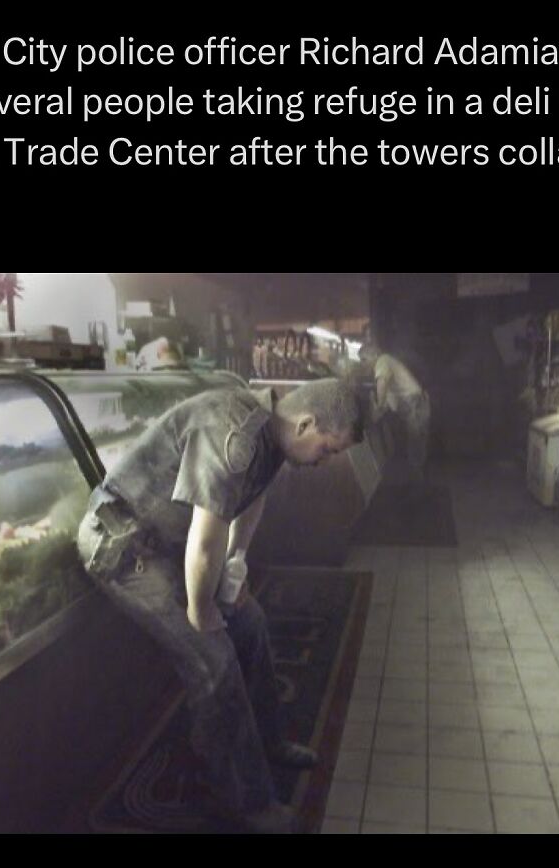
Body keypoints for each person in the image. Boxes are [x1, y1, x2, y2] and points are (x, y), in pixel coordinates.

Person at [77, 378, 368, 833]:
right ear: (307, 423)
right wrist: (202, 608)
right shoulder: (232, 434)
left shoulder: (274, 438)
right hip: (125, 547)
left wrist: (234, 574)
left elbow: (249, 504)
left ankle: (270, 743)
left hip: (172, 541)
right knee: (214, 662)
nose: (325, 461)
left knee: (250, 622)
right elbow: (205, 540)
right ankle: (247, 804)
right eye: (328, 449)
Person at [359, 343, 431, 477]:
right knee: (416, 445)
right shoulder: (388, 365)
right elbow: (391, 400)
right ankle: (417, 480)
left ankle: (416, 482)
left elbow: (382, 383)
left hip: (414, 404)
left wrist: (378, 406)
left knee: (415, 444)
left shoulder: (383, 360)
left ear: (374, 355)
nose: (363, 364)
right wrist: (380, 409)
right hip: (416, 403)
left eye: (364, 359)